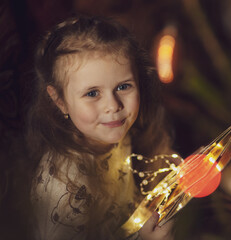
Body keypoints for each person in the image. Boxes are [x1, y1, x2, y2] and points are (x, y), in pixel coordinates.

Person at [27, 15, 176, 240]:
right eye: (92, 93)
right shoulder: (67, 188)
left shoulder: (116, 132)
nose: (113, 106)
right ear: (60, 101)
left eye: (123, 86)